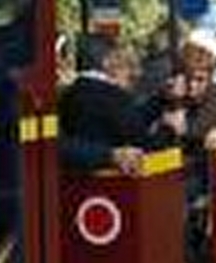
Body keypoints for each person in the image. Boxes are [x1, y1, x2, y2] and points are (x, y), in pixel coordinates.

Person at [58, 35, 182, 176]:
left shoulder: (71, 92)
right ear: (108, 64)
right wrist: (168, 129)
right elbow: (143, 145)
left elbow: (129, 118)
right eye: (127, 67)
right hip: (113, 183)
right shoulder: (112, 96)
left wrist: (160, 98)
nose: (134, 75)